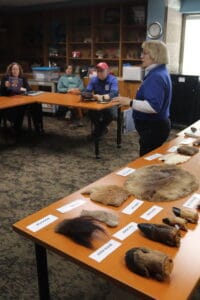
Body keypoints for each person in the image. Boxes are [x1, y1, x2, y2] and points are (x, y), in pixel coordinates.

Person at [113, 40, 172, 156]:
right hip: (155, 127)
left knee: (147, 163)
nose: (141, 56)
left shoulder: (156, 76)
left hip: (153, 128)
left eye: (145, 53)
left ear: (155, 55)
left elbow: (153, 107)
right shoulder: (160, 71)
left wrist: (129, 102)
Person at [0, 62, 43, 134]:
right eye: (13, 69)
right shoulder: (5, 78)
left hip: (22, 101)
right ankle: (16, 128)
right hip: (10, 102)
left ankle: (38, 127)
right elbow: (2, 93)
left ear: (19, 70)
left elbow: (29, 89)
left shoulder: (22, 78)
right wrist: (5, 86)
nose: (15, 71)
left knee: (37, 104)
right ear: (10, 70)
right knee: (18, 108)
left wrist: (23, 89)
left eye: (17, 69)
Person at [85, 62, 119, 138]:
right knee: (90, 112)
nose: (99, 73)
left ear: (107, 71)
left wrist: (100, 97)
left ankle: (99, 130)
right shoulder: (94, 79)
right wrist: (90, 95)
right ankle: (101, 129)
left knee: (112, 114)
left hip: (110, 102)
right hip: (98, 103)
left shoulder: (113, 79)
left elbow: (113, 94)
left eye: (102, 71)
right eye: (98, 71)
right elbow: (87, 92)